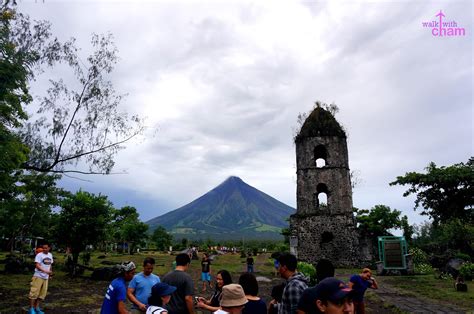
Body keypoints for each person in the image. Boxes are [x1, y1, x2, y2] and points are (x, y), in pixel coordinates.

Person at [27, 243, 53, 314]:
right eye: (43, 248)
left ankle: (37, 308)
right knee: (34, 293)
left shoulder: (50, 255)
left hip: (46, 277)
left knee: (42, 294)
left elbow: (50, 265)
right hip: (38, 276)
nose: (44, 249)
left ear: (49, 248)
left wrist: (50, 274)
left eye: (46, 248)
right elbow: (37, 265)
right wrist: (45, 271)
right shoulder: (39, 255)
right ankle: (31, 309)